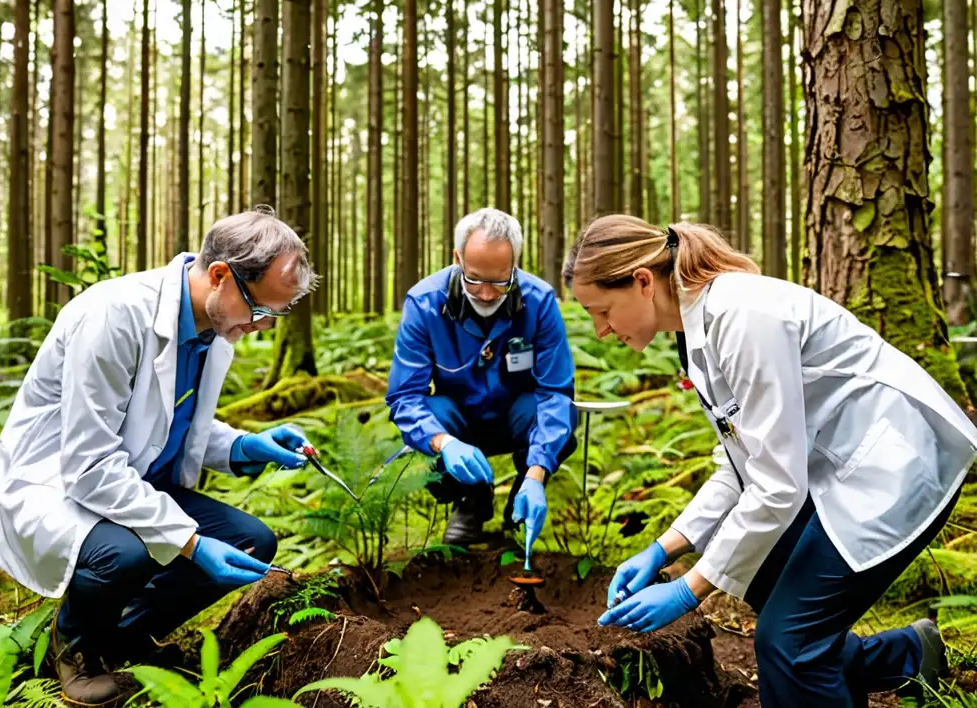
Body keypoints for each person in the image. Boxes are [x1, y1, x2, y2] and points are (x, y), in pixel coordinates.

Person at [563, 214, 977, 707]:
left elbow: (777, 484)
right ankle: (906, 655)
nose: (602, 330)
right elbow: (740, 461)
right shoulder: (697, 330)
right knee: (765, 580)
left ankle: (866, 663)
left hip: (897, 465)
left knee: (789, 644)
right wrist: (664, 547)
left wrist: (689, 591)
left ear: (642, 281)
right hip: (838, 471)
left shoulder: (741, 315)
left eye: (601, 310)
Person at [0, 206, 319, 707]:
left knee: (251, 541)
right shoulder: (112, 317)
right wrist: (190, 543)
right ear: (221, 275)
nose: (264, 326)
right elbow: (90, 464)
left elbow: (168, 425)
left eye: (277, 314)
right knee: (126, 553)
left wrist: (246, 446)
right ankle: (78, 645)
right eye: (262, 310)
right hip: (57, 482)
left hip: (130, 479)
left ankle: (126, 637)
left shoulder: (216, 324)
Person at [386, 208, 578, 554]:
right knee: (433, 411)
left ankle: (521, 501)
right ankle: (471, 500)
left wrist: (536, 474)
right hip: (457, 424)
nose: (487, 293)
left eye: (500, 281)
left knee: (561, 415)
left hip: (515, 419)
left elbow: (555, 393)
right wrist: (443, 442)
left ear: (515, 264)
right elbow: (404, 397)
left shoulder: (540, 302)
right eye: (474, 279)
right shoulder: (425, 303)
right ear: (457, 258)